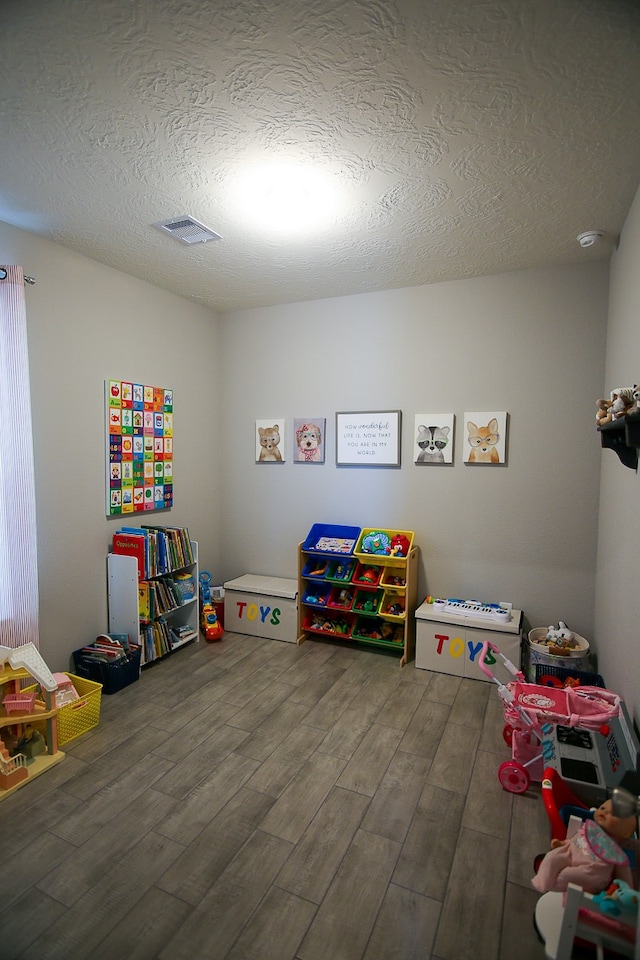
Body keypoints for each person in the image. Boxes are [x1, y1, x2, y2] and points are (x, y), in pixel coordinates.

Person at [532, 799, 638, 895]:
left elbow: (625, 882)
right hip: (571, 852)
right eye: (603, 808)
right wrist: (563, 843)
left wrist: (627, 892)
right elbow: (577, 839)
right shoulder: (591, 828)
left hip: (592, 871)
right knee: (552, 857)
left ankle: (552, 887)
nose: (605, 812)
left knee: (569, 875)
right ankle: (541, 881)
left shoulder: (618, 853)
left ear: (625, 832)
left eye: (613, 813)